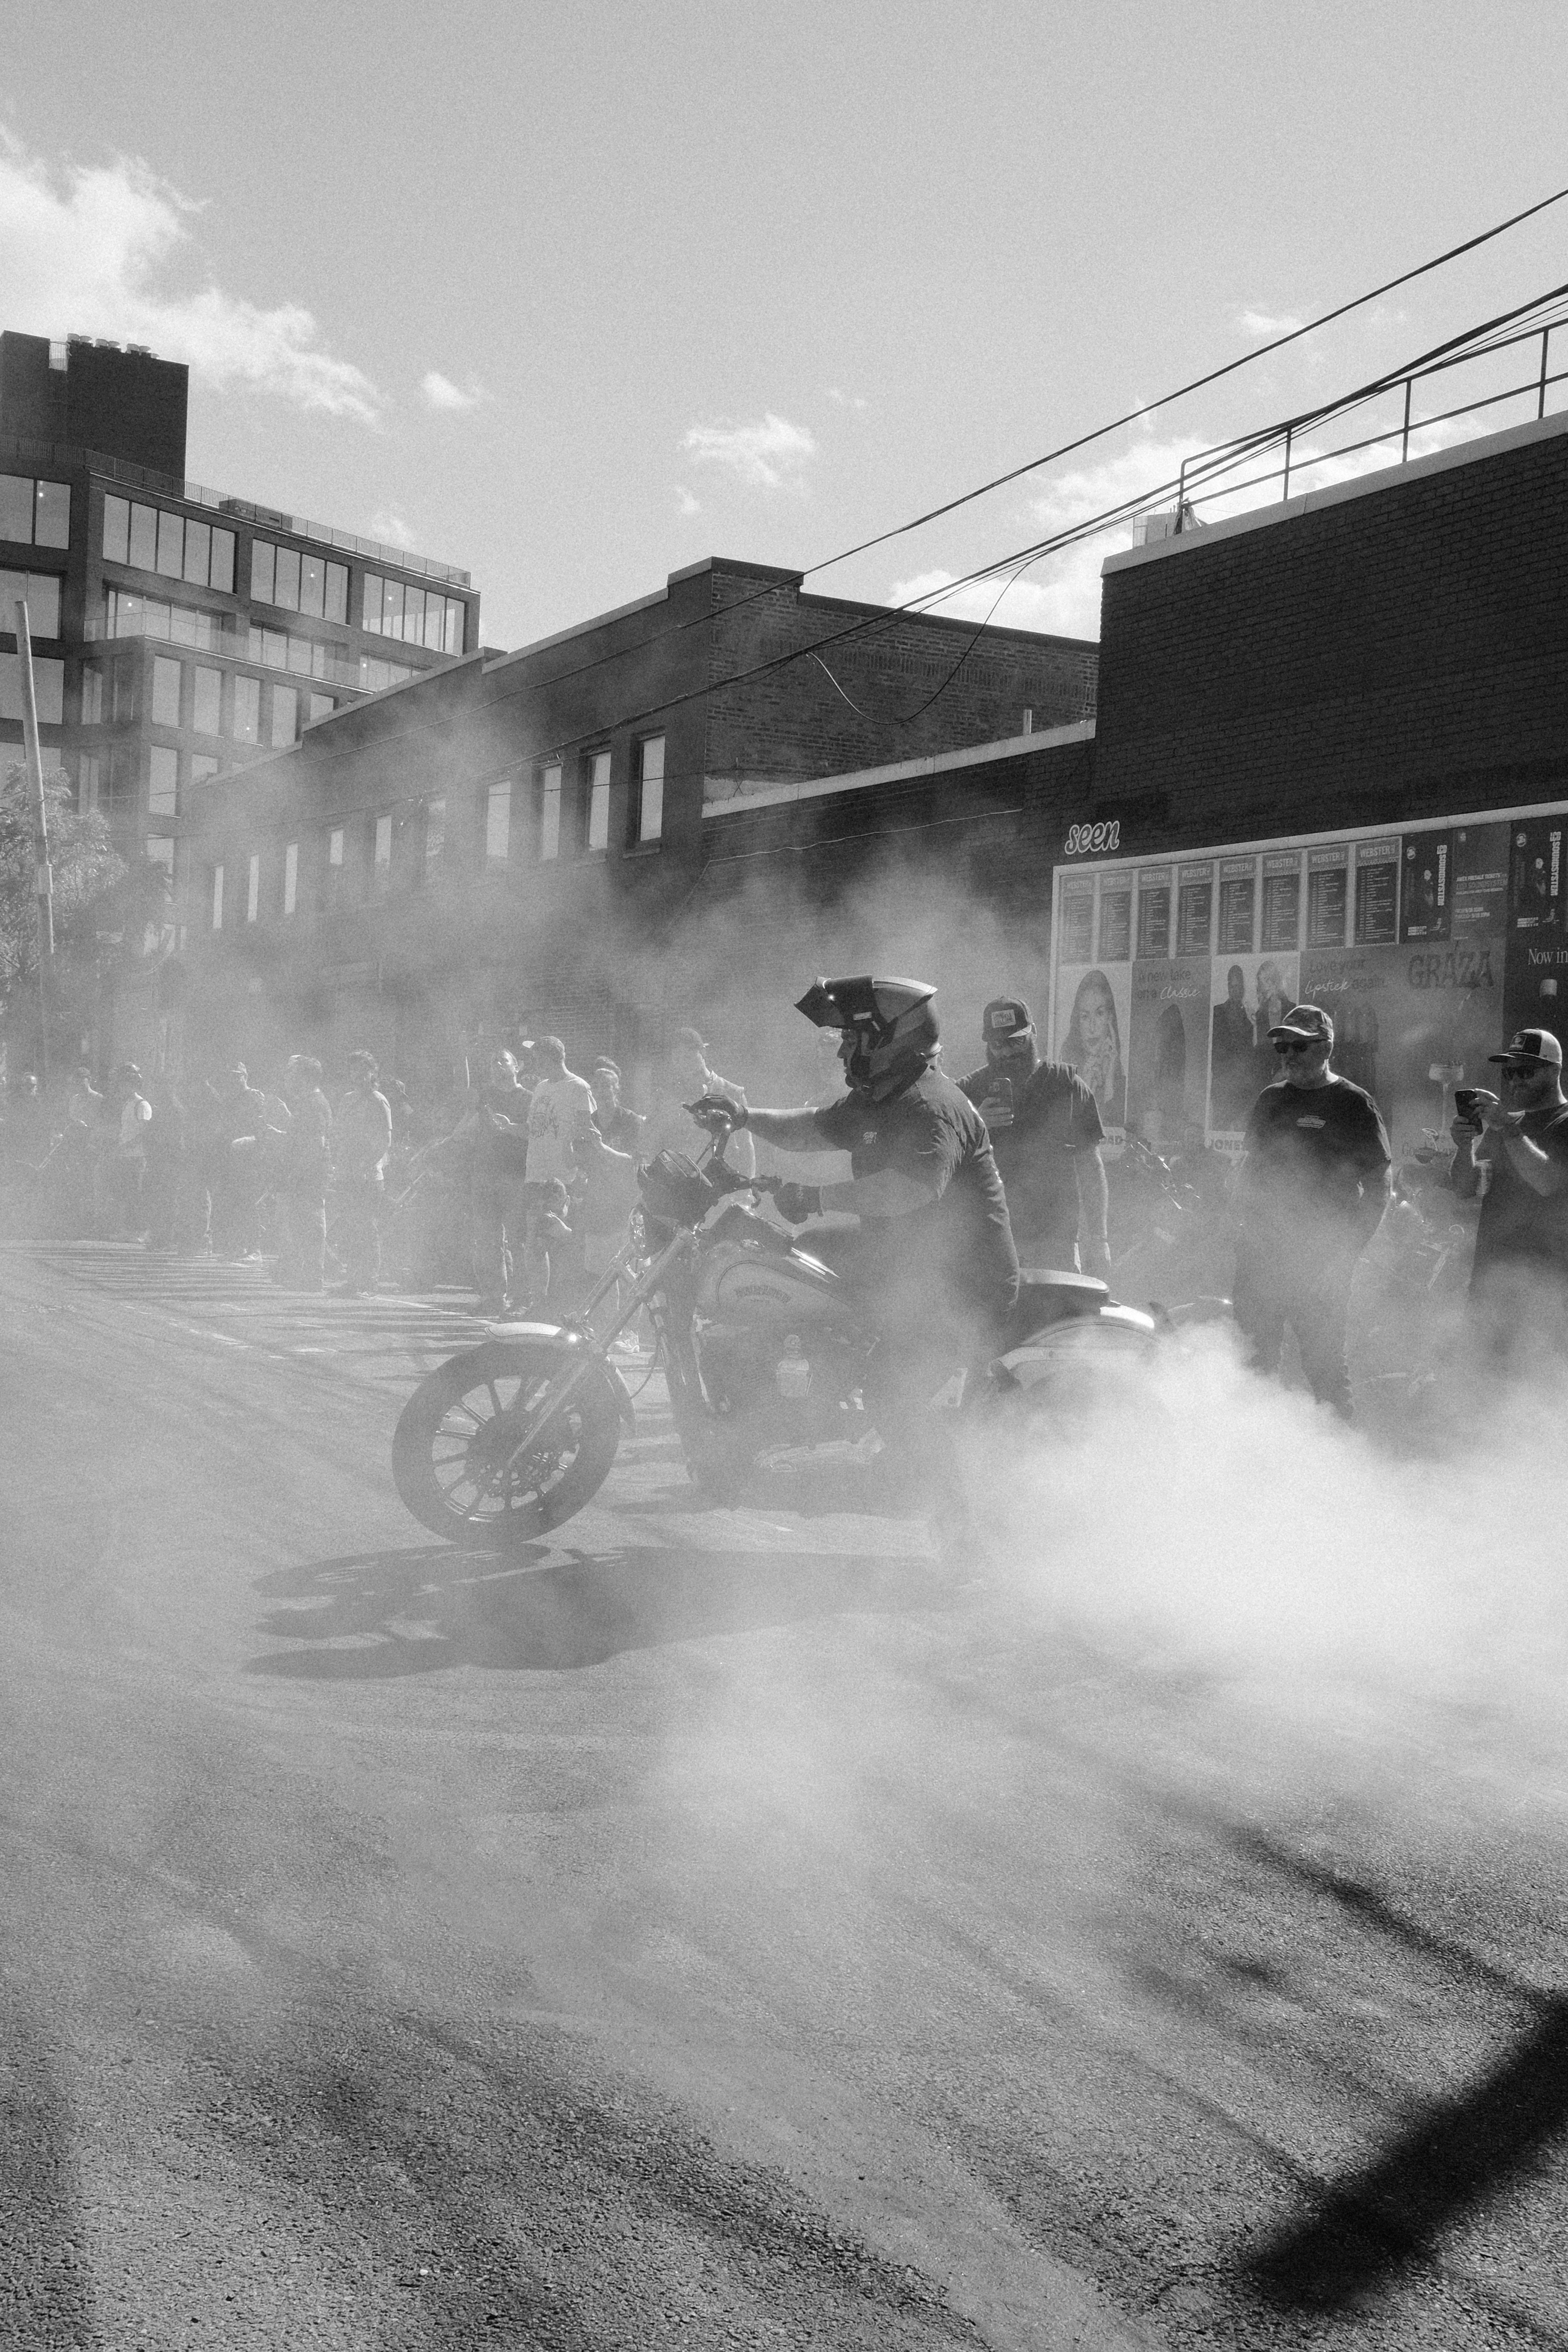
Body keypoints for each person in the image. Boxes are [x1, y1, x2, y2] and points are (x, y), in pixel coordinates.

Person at [697, 976, 1019, 1438]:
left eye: (851, 1037)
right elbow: (810, 1129)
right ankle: (808, 1389)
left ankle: (910, 1468)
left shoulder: (932, 1105)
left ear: (888, 1038)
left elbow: (911, 1188)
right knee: (802, 1256)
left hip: (964, 1283)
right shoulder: (878, 1099)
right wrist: (743, 1118)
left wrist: (816, 1197)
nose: (842, 1050)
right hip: (910, 1261)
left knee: (892, 1393)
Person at [1233, 1003, 1391, 1415]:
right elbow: (1251, 1170)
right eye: (1281, 1047)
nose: (1286, 1056)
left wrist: (1345, 1257)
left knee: (1324, 1372)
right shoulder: (1270, 1100)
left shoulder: (1353, 1103)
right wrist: (1239, 1230)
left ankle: (1340, 1470)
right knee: (1253, 1366)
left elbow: (1379, 1187)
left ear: (1325, 1048)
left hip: (1321, 1262)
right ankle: (1250, 1462)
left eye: (1297, 1047)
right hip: (1263, 1259)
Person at [958, 997, 1111, 1277]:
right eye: (996, 1044)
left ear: (1033, 1034)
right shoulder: (967, 1092)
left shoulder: (1068, 1087)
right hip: (990, 1241)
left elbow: (1091, 1167)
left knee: (1057, 1318)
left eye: (1014, 1042)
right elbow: (943, 1162)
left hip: (1055, 1243)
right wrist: (977, 1124)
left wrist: (1099, 1241)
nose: (1005, 1052)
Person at [1449, 1027, 1568, 1346]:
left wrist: (1507, 1128)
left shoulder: (1563, 1121)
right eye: (1510, 1072)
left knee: (1534, 1385)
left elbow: (1547, 1183)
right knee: (1481, 1379)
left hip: (1546, 1283)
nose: (1515, 1081)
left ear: (1554, 1071)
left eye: (1525, 1071)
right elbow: (1466, 1189)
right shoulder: (1506, 1124)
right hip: (1492, 1278)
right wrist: (1464, 1148)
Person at [522, 1037, 631, 1305]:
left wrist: (579, 1168)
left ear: (551, 1058)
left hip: (564, 1178)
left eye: (538, 1059)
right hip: (536, 1175)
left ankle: (564, 1303)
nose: (535, 1065)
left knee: (563, 1246)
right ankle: (540, 1304)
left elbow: (589, 1131)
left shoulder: (579, 1088)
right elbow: (535, 1128)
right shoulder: (540, 1088)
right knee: (535, 1242)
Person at [264, 1055, 333, 1289]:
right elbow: (301, 1140)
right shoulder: (306, 1103)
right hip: (302, 1174)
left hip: (309, 1176)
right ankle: (303, 1273)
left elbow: (316, 1144)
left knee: (311, 1226)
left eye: (292, 1074)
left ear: (305, 1077)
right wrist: (280, 1135)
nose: (288, 1079)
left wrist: (296, 1173)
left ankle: (314, 1276)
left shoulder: (314, 1104)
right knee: (298, 1226)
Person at [334, 1049, 395, 1295]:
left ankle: (369, 1282)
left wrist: (366, 1164)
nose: (358, 1074)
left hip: (369, 1176)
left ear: (373, 1073)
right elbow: (339, 1134)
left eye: (363, 1069)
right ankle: (353, 1279)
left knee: (367, 1228)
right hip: (347, 1174)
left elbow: (385, 1140)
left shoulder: (378, 1100)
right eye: (354, 1069)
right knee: (350, 1227)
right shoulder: (347, 1100)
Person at [1060, 970, 1126, 1128]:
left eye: (1100, 1014)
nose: (1092, 1027)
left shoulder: (1123, 1084)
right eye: (1085, 1017)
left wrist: (1109, 1082)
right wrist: (1084, 1088)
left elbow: (1117, 1129)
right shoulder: (1063, 1078)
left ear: (1110, 1019)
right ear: (1078, 1023)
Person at [107, 1064, 153, 1237]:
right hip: (124, 1157)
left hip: (137, 1158)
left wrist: (126, 1146)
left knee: (136, 1195)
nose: (120, 1087)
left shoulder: (142, 1105)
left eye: (123, 1084)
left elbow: (144, 1132)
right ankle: (126, 1230)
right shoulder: (128, 1104)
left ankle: (139, 1232)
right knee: (124, 1195)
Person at [1211, 965, 1255, 1129]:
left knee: (1242, 1126)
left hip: (1244, 1082)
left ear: (1243, 988)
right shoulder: (1217, 1012)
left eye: (1239, 986)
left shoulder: (1251, 1014)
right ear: (1228, 987)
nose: (1235, 990)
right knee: (1220, 1125)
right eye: (1232, 986)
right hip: (1223, 1081)